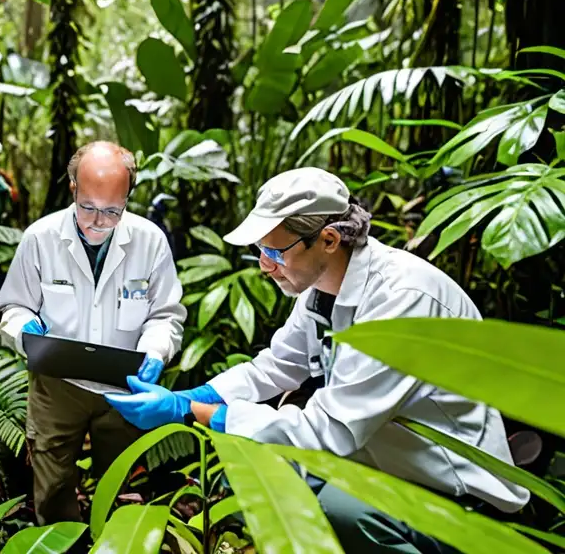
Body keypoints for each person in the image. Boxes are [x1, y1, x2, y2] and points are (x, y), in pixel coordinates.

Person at [105, 167, 530, 553]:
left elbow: (331, 430)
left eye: (275, 253)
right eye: (260, 252)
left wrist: (193, 413)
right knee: (263, 477)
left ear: (328, 239)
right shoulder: (321, 289)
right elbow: (275, 366)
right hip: (392, 470)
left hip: (458, 497)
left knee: (331, 508)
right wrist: (187, 394)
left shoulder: (402, 300)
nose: (265, 268)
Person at [0, 141, 186, 525]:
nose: (99, 221)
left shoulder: (149, 242)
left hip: (125, 381)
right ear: (72, 188)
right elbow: (13, 306)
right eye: (88, 208)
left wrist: (154, 351)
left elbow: (165, 313)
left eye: (112, 211)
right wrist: (24, 329)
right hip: (56, 381)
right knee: (51, 485)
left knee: (124, 484)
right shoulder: (40, 238)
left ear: (129, 198)